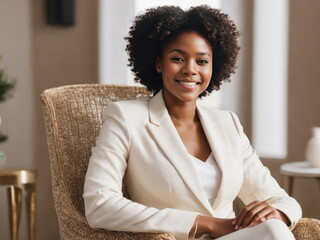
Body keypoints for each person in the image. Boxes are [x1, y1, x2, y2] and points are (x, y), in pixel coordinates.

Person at [83, 5, 302, 240]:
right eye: (177, 58)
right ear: (158, 63)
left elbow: (280, 199)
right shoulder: (125, 117)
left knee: (273, 228)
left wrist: (278, 212)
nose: (190, 69)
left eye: (202, 61)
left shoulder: (228, 123)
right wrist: (203, 224)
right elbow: (100, 205)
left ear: (213, 67)